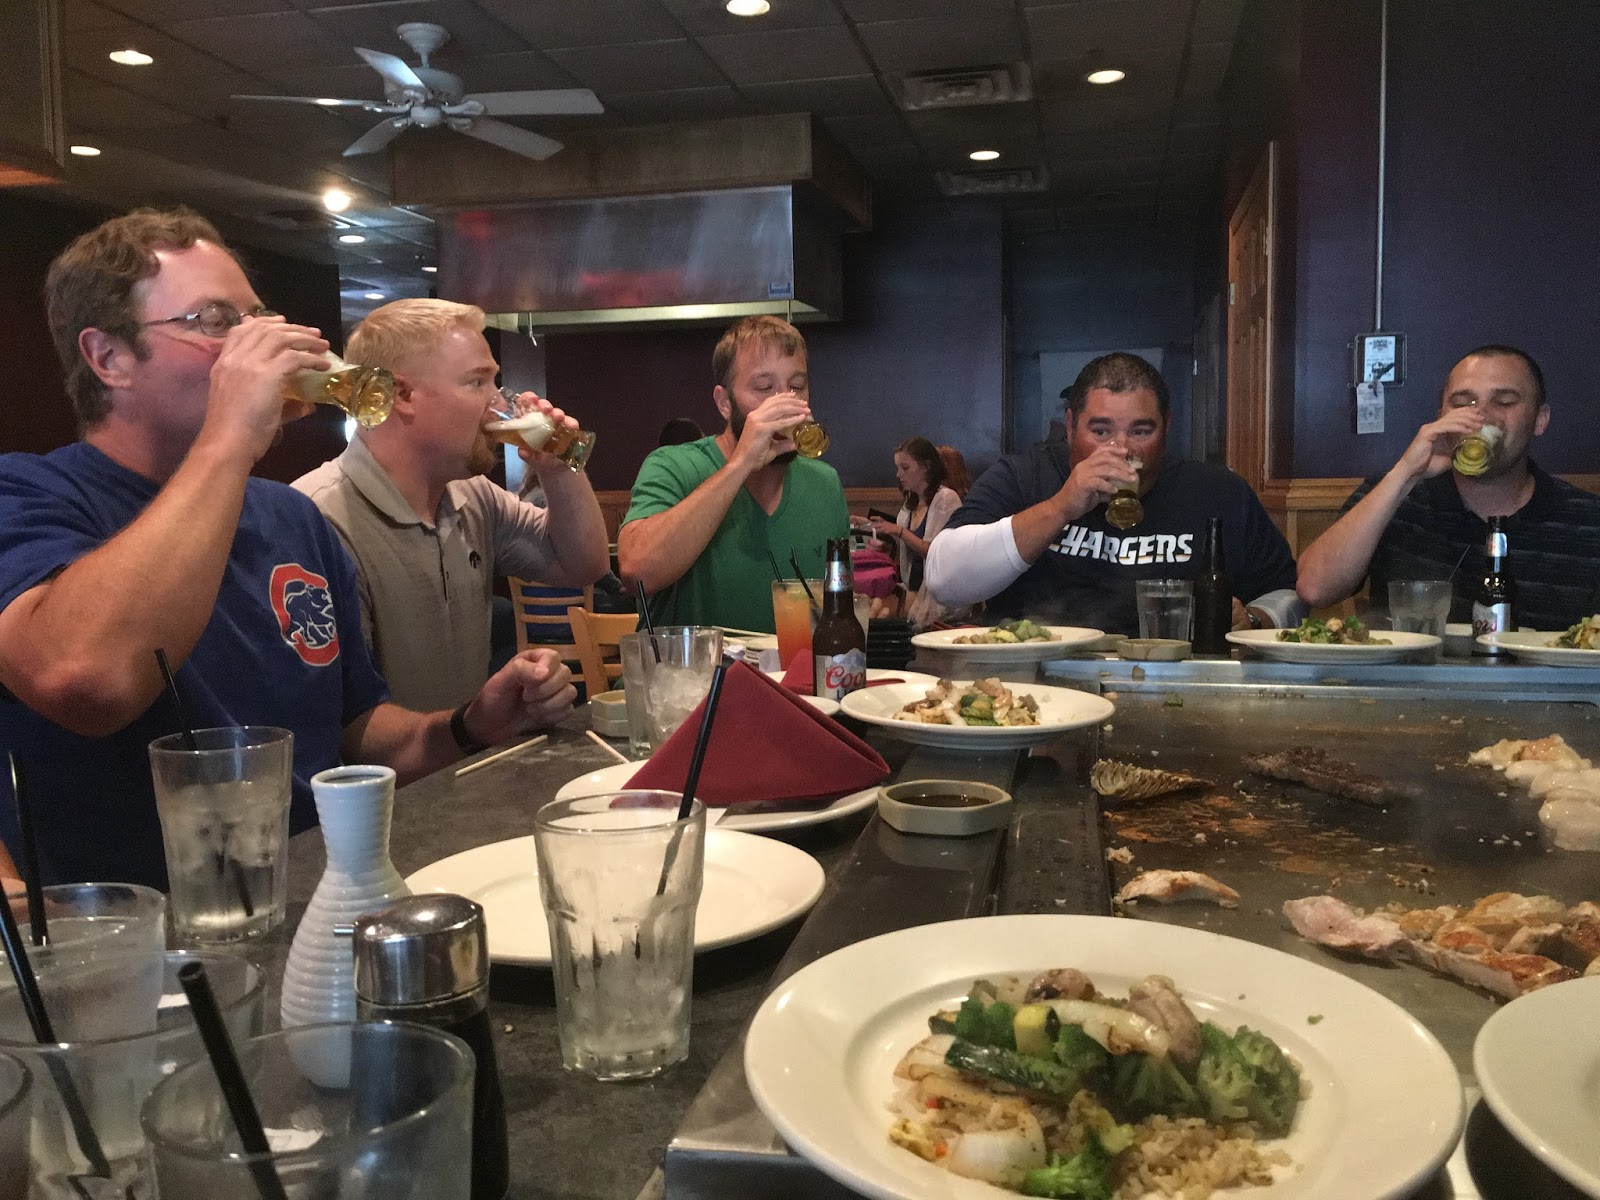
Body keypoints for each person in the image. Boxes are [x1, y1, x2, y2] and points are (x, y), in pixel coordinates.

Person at [0, 208, 575, 889]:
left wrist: (469, 724)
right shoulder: (28, 495)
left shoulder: (290, 518)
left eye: (258, 319)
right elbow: (85, 678)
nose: (261, 344)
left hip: (318, 903)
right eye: (217, 321)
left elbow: (357, 731)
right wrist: (230, 433)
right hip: (141, 935)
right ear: (109, 358)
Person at [293, 299, 608, 712]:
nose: (499, 403)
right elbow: (341, 720)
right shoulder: (317, 518)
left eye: (495, 382)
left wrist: (558, 467)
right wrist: (477, 724)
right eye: (477, 382)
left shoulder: (474, 495)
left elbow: (584, 564)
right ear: (401, 394)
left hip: (466, 753)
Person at [926, 352, 1302, 636]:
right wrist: (1060, 507)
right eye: (1101, 431)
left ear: (1167, 427)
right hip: (1033, 679)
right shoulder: (1025, 476)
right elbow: (945, 581)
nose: (1121, 450)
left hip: (1173, 679)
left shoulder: (1218, 491)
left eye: (1141, 431)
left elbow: (1289, 594)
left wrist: (1254, 619)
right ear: (1070, 426)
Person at [1297, 345, 1600, 629]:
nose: (1481, 416)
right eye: (1463, 403)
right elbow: (1315, 588)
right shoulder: (1395, 494)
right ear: (1442, 417)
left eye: (1505, 401)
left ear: (1540, 420)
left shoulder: (1588, 519)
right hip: (1410, 671)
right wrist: (1405, 474)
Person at [617, 315, 849, 631]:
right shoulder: (674, 466)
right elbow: (637, 573)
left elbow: (835, 606)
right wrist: (740, 465)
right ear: (725, 403)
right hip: (693, 664)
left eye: (797, 386)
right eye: (764, 387)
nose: (786, 402)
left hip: (789, 665)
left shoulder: (824, 483)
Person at [867, 438, 962, 629]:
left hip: (939, 600)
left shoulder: (945, 498)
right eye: (898, 468)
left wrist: (899, 531)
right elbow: (909, 547)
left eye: (905, 468)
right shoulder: (911, 502)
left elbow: (935, 551)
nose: (899, 474)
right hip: (914, 591)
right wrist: (882, 539)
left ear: (926, 467)